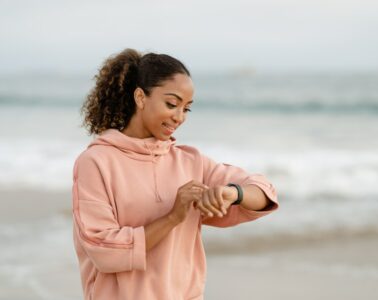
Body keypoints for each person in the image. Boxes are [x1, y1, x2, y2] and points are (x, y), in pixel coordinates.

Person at [72, 48, 279, 300]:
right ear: (140, 97)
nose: (179, 117)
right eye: (172, 104)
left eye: (186, 109)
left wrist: (232, 193)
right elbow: (104, 251)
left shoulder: (190, 162)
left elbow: (264, 191)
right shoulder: (95, 162)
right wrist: (173, 217)